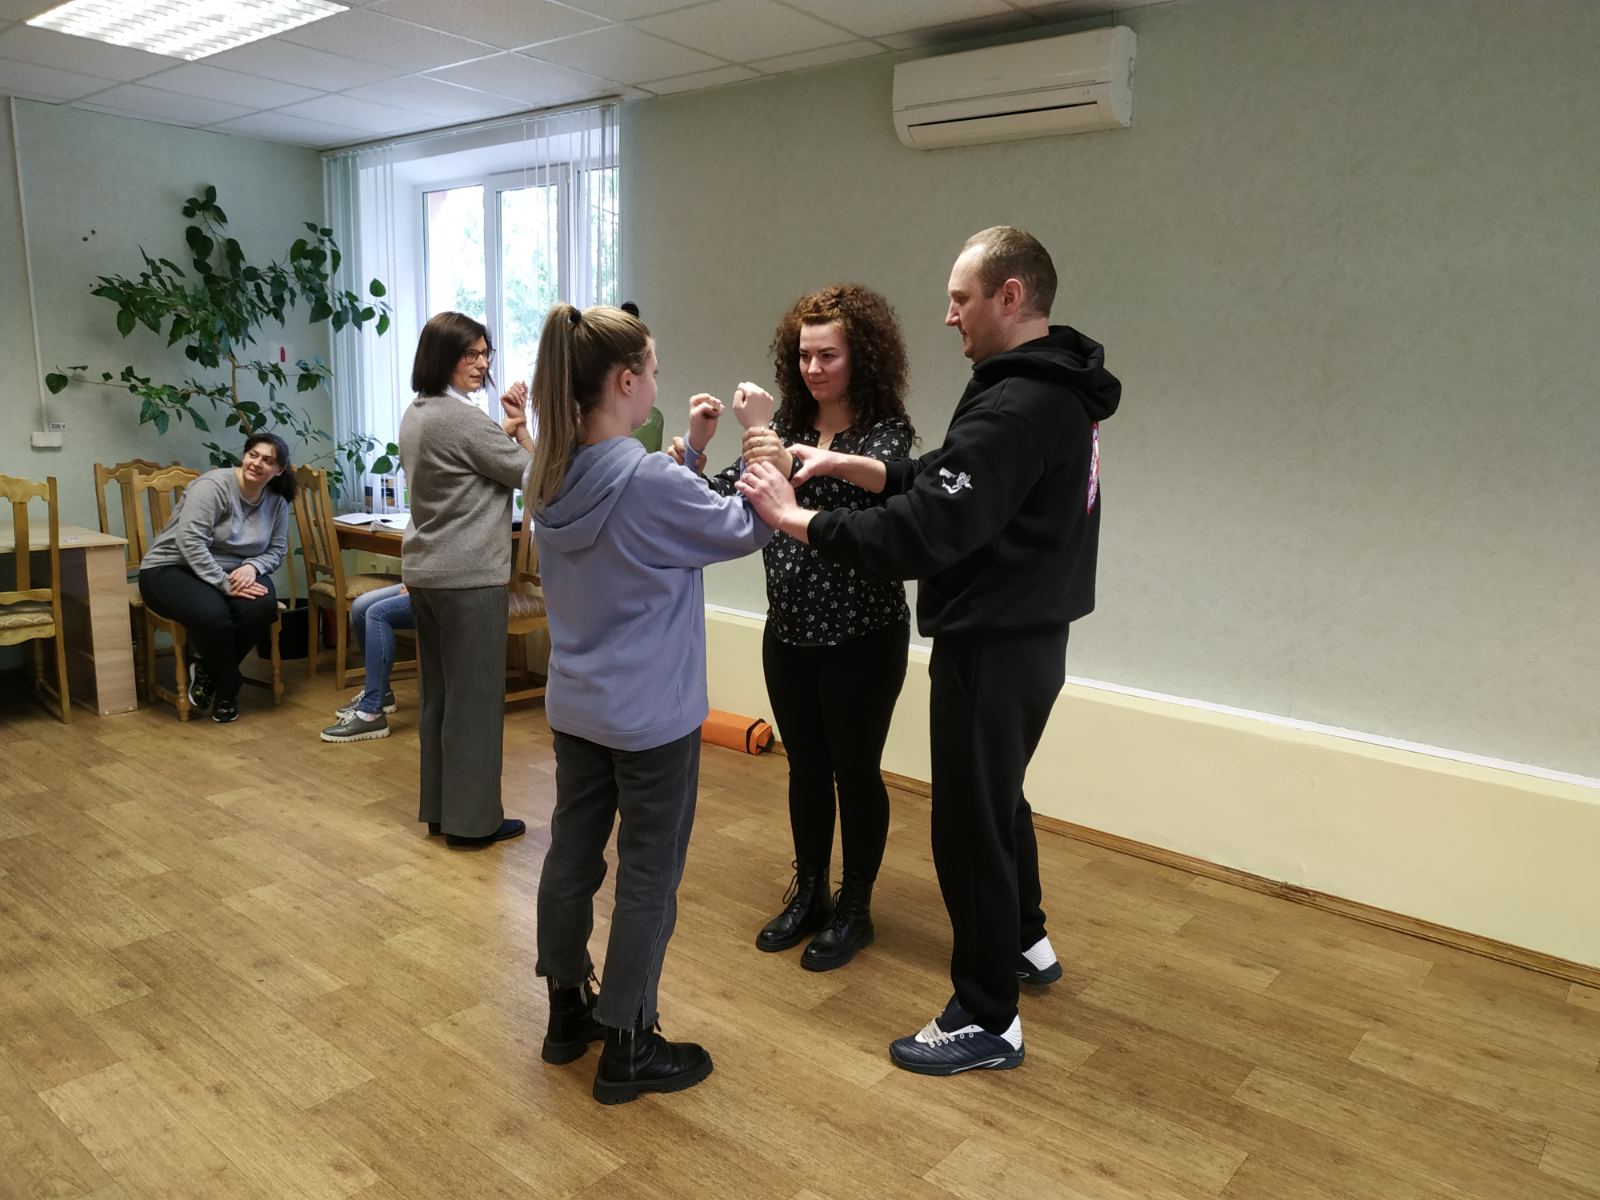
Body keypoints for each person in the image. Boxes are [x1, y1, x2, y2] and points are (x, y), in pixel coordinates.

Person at [737, 227, 1121, 1076]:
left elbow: (926, 531)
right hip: (1028, 635)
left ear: (1010, 297)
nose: (949, 316)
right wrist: (844, 465)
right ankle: (1024, 940)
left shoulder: (1018, 405)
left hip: (993, 642)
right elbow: (946, 478)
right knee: (998, 802)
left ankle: (987, 1018)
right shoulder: (1049, 388)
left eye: (961, 299)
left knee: (970, 826)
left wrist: (795, 518)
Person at [524, 302, 771, 1105]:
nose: (659, 384)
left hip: (578, 709)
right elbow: (746, 527)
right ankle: (630, 1041)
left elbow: (651, 524)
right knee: (648, 875)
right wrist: (760, 435)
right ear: (626, 382)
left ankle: (568, 1013)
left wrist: (692, 452)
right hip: (652, 718)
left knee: (572, 856)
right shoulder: (645, 480)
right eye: (654, 372)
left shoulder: (548, 475)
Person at [671, 284, 914, 972]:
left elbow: (881, 492)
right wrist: (695, 449)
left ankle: (856, 906)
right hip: (791, 632)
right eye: (805, 355)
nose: (813, 368)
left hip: (864, 635)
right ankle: (809, 893)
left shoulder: (884, 430)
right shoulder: (780, 428)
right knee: (806, 767)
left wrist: (803, 463)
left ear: (859, 356)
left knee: (855, 772)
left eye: (828, 355)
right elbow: (724, 492)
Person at [398, 311, 533, 847]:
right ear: (442, 358)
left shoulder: (419, 412)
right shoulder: (463, 420)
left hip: (427, 574)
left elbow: (470, 462)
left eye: (484, 353)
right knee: (475, 703)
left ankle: (441, 811)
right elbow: (533, 476)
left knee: (440, 697)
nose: (481, 364)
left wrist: (503, 430)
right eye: (469, 354)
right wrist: (523, 429)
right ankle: (473, 824)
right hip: (469, 578)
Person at [138, 432, 295, 725]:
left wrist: (253, 567)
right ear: (244, 455)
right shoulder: (212, 486)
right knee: (215, 616)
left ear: (279, 470)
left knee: (261, 608)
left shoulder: (277, 501)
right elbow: (189, 541)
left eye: (267, 460)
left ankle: (207, 672)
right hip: (173, 566)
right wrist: (223, 583)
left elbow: (276, 550)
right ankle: (227, 689)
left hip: (237, 569)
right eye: (253, 455)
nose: (257, 463)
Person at [318, 582, 413, 742]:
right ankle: (382, 692)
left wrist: (419, 582)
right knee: (360, 607)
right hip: (423, 581)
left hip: (443, 587)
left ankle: (370, 713)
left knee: (377, 613)